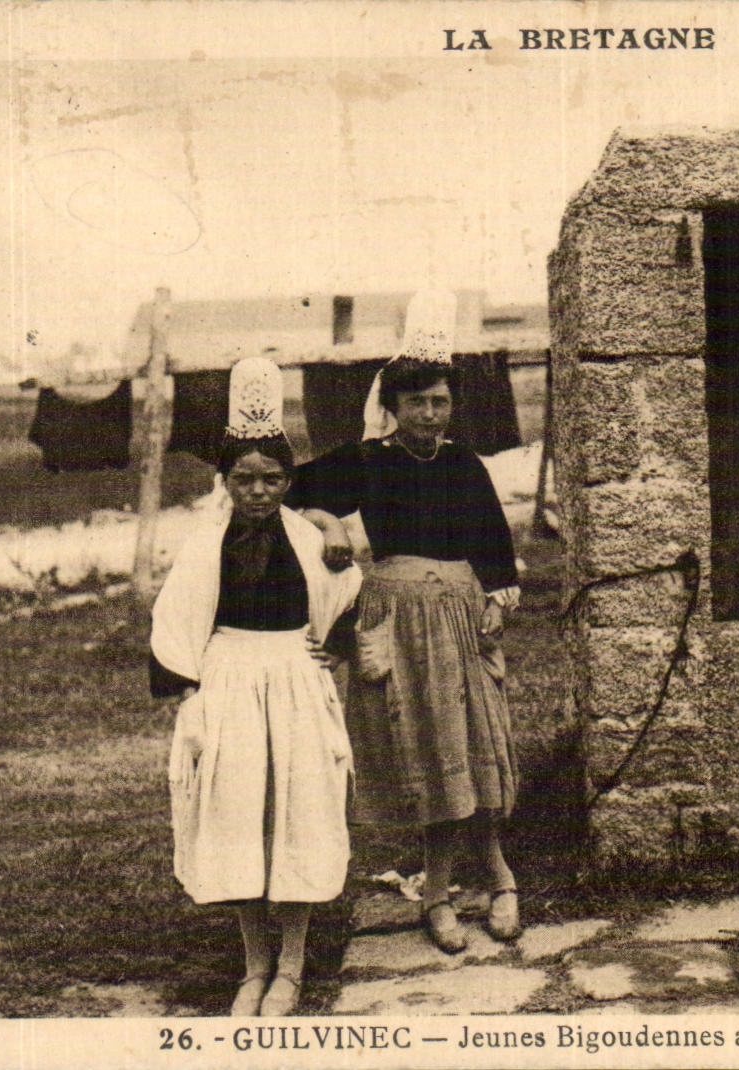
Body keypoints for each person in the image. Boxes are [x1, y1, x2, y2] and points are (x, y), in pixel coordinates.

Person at [286, 289, 523, 953]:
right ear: (391, 406)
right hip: (398, 622)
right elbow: (281, 492)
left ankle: (499, 876)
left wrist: (494, 602)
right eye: (416, 402)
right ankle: (439, 889)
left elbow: (494, 547)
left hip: (460, 617)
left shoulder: (462, 464)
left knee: (478, 744)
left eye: (439, 402)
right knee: (427, 748)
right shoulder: (368, 462)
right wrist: (329, 522)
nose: (429, 413)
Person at [150, 357, 362, 1016]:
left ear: (287, 481)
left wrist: (331, 646)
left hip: (294, 680)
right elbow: (176, 621)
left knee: (295, 808)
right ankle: (254, 962)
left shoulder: (308, 540)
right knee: (237, 811)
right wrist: (192, 694)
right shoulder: (204, 545)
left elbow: (345, 602)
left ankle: (292, 963)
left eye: (272, 479)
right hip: (229, 681)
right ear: (225, 481)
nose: (259, 492)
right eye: (245, 479)